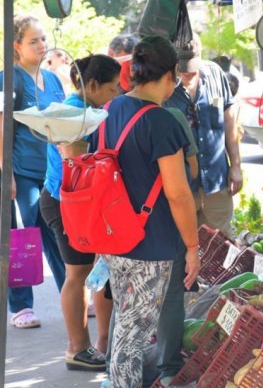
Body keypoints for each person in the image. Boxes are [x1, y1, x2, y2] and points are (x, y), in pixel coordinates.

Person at [89, 35, 200, 388]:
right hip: (150, 244)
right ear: (170, 75)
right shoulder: (162, 122)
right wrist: (193, 247)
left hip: (114, 238)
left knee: (126, 322)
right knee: (133, 335)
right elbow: (179, 194)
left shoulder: (108, 110)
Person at [39, 54, 121, 370]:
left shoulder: (88, 109)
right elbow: (73, 160)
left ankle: (99, 343)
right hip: (65, 203)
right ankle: (77, 348)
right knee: (77, 275)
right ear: (92, 85)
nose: (116, 94)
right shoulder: (73, 114)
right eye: (112, 88)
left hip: (80, 203)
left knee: (92, 271)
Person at [0, 14, 66, 329]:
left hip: (52, 170)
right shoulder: (8, 78)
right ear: (16, 46)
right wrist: (7, 173)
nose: (42, 45)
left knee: (59, 232)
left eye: (43, 39)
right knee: (22, 238)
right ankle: (21, 306)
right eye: (33, 41)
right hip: (22, 170)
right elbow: (2, 128)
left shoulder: (52, 78)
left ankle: (72, 291)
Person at [164, 40, 243, 237]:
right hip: (180, 186)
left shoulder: (215, 73)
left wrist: (236, 165)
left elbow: (229, 121)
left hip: (216, 181)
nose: (186, 74)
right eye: (181, 70)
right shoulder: (162, 84)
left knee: (221, 248)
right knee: (181, 251)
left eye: (191, 68)